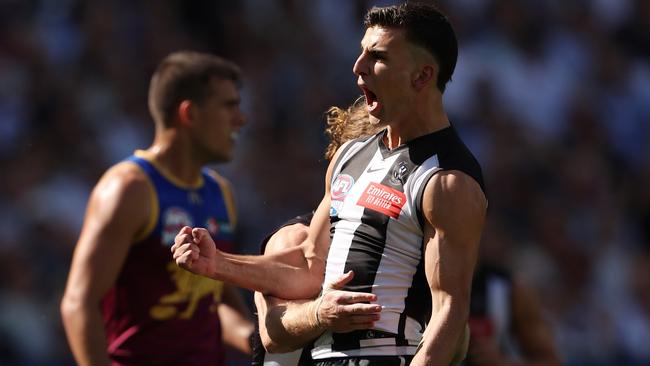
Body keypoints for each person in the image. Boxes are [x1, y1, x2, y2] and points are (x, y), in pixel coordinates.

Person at [173, 3, 487, 365]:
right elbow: (310, 267)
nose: (358, 67)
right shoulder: (350, 155)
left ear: (421, 76)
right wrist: (218, 264)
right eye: (361, 52)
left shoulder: (448, 180)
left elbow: (449, 311)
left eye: (377, 56)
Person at [60, 51, 253, 366]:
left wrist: (261, 342)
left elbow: (213, 301)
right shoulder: (130, 189)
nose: (241, 119)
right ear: (189, 114)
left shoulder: (221, 192)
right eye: (228, 106)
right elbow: (78, 303)